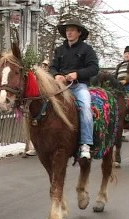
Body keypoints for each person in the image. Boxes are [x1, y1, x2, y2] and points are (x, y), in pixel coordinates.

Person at [49, 18, 99, 159]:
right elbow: (53, 67)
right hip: (60, 87)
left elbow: (94, 68)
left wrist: (77, 74)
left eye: (72, 30)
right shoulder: (60, 50)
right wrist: (56, 75)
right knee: (45, 107)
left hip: (78, 86)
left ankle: (85, 144)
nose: (69, 32)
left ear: (79, 32)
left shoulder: (87, 49)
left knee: (85, 108)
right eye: (67, 30)